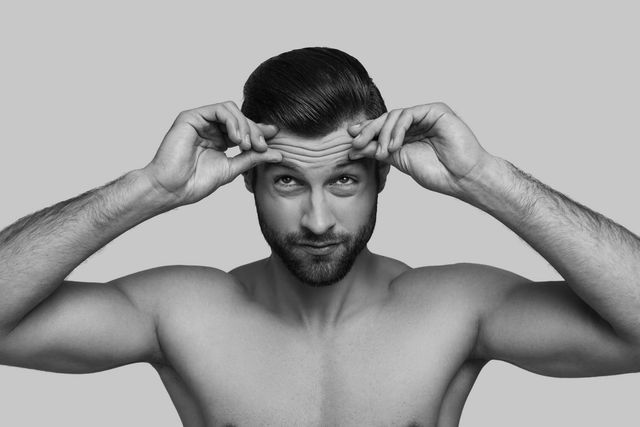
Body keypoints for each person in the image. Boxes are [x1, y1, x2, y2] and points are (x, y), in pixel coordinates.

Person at [0, 46, 639, 427]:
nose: (317, 221)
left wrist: (487, 179)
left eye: (343, 182)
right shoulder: (182, 312)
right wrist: (147, 190)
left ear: (384, 176)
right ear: (245, 180)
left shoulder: (457, 308)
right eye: (286, 182)